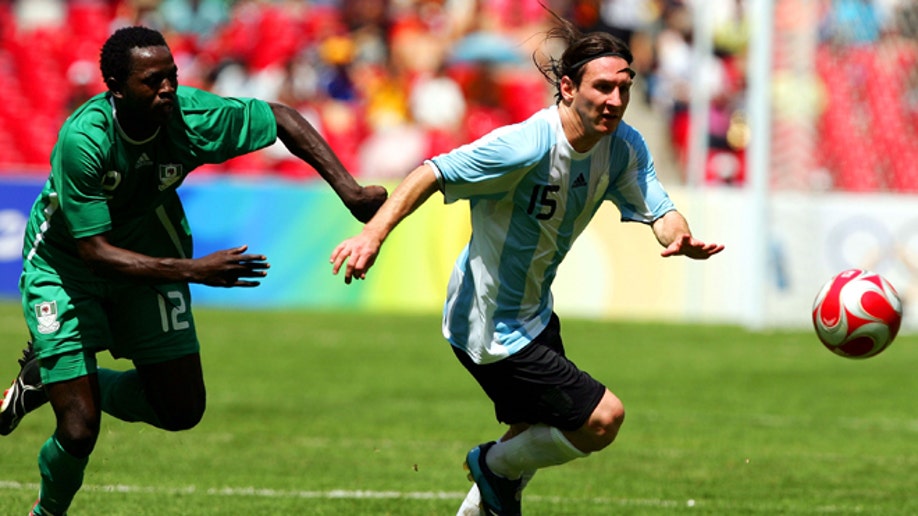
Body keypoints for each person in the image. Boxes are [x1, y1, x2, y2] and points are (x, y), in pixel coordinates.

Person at [330, 13, 724, 516]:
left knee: (529, 438)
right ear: (566, 87)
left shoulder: (623, 146)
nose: (616, 101)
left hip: (534, 314)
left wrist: (678, 234)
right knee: (602, 419)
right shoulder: (526, 145)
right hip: (489, 325)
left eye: (624, 88)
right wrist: (372, 234)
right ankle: (490, 466)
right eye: (603, 87)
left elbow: (660, 209)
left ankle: (486, 496)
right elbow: (432, 171)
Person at [0, 25, 387, 516]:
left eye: (172, 76)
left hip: (151, 252)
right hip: (67, 266)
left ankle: (52, 376)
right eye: (152, 80)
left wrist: (349, 191)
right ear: (115, 88)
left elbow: (283, 118)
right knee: (79, 426)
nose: (167, 88)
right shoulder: (85, 140)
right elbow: (94, 251)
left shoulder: (192, 116)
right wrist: (194, 270)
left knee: (182, 410)